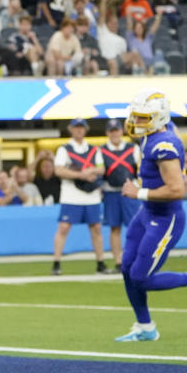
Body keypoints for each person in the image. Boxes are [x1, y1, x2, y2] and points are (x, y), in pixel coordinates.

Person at [115, 89, 187, 341]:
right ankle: (145, 327)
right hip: (147, 213)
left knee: (141, 277)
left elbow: (177, 189)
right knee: (127, 268)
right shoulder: (160, 128)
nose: (135, 122)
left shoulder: (163, 145)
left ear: (156, 119)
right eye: (135, 116)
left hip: (165, 218)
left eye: (142, 118)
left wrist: (139, 193)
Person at [52, 118, 107, 276]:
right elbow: (59, 170)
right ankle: (56, 263)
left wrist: (91, 172)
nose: (79, 130)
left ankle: (100, 263)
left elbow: (101, 169)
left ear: (85, 129)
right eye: (76, 127)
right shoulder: (64, 149)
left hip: (91, 195)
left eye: (81, 127)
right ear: (70, 129)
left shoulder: (93, 149)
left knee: (96, 228)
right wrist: (80, 175)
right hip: (71, 195)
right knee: (64, 227)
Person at [101, 118, 141, 272]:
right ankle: (118, 261)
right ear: (107, 133)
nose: (114, 133)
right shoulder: (101, 150)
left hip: (130, 192)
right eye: (111, 131)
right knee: (114, 227)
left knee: (134, 226)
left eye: (116, 130)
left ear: (121, 131)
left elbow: (140, 169)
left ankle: (135, 259)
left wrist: (137, 187)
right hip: (111, 192)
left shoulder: (133, 148)